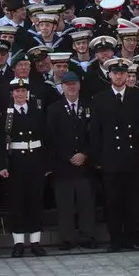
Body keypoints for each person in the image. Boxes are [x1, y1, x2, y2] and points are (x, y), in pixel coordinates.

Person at [89, 57, 139, 252]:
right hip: (110, 158)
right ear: (109, 75)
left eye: (122, 73)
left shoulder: (137, 96)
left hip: (132, 158)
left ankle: (130, 239)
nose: (119, 76)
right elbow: (95, 131)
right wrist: (97, 159)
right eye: (115, 73)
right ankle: (115, 240)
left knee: (132, 202)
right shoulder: (99, 98)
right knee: (112, 202)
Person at [45, 68, 96, 250]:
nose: (71, 87)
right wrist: (68, 157)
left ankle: (87, 236)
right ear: (62, 87)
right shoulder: (53, 109)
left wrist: (85, 153)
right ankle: (67, 238)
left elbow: (95, 134)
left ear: (79, 86)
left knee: (86, 203)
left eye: (74, 84)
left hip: (84, 164)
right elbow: (51, 138)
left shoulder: (89, 106)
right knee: (65, 204)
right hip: (63, 166)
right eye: (67, 84)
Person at [0, 78, 47, 257]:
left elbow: (46, 137)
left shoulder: (37, 111)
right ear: (12, 93)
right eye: (17, 91)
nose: (20, 94)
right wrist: (2, 165)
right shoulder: (5, 115)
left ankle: (35, 241)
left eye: (23, 91)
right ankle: (18, 242)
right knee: (17, 203)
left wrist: (45, 163)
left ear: (27, 93)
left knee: (34, 201)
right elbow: (0, 142)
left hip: (35, 160)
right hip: (16, 162)